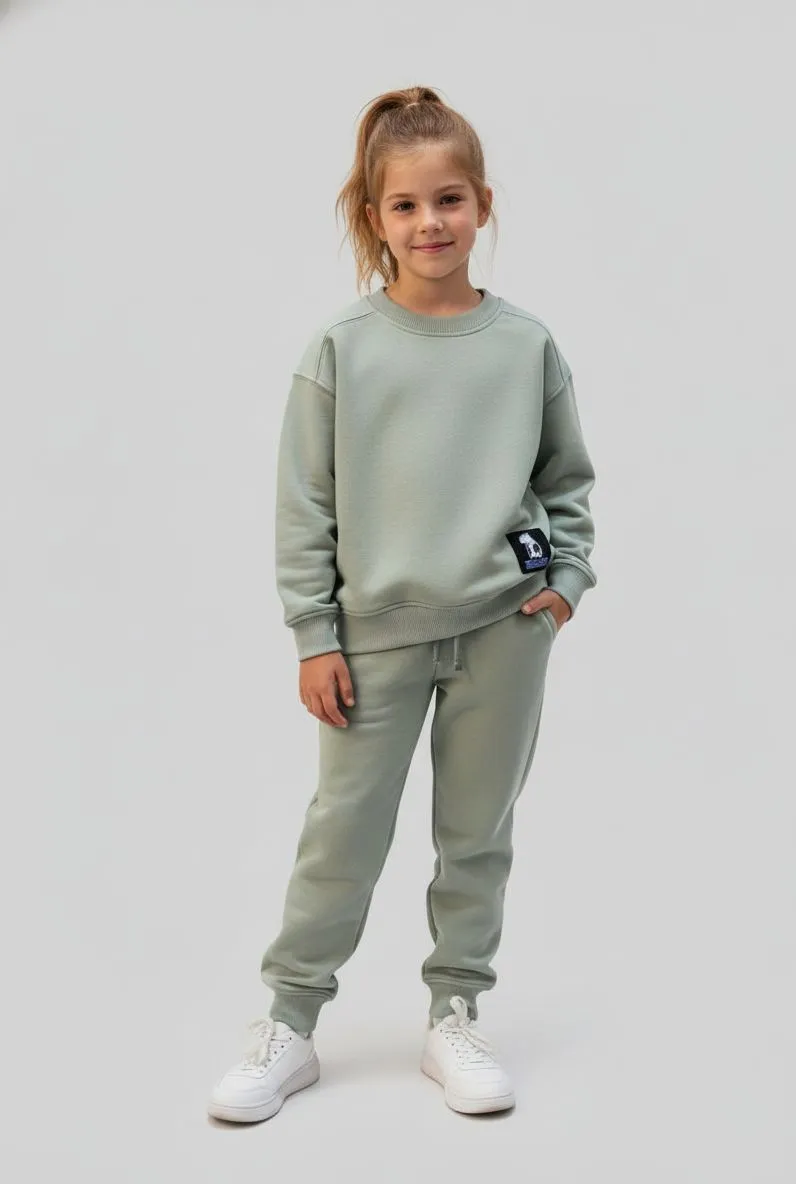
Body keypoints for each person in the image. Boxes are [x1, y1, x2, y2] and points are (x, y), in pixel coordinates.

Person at [207, 84, 598, 1123]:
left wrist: (559, 584)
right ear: (372, 216)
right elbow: (306, 504)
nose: (432, 222)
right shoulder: (343, 348)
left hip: (503, 631)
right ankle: (290, 1022)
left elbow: (563, 481)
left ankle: (455, 1011)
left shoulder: (525, 345)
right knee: (343, 831)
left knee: (477, 833)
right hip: (372, 640)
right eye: (407, 205)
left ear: (483, 205)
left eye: (450, 199)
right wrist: (314, 634)